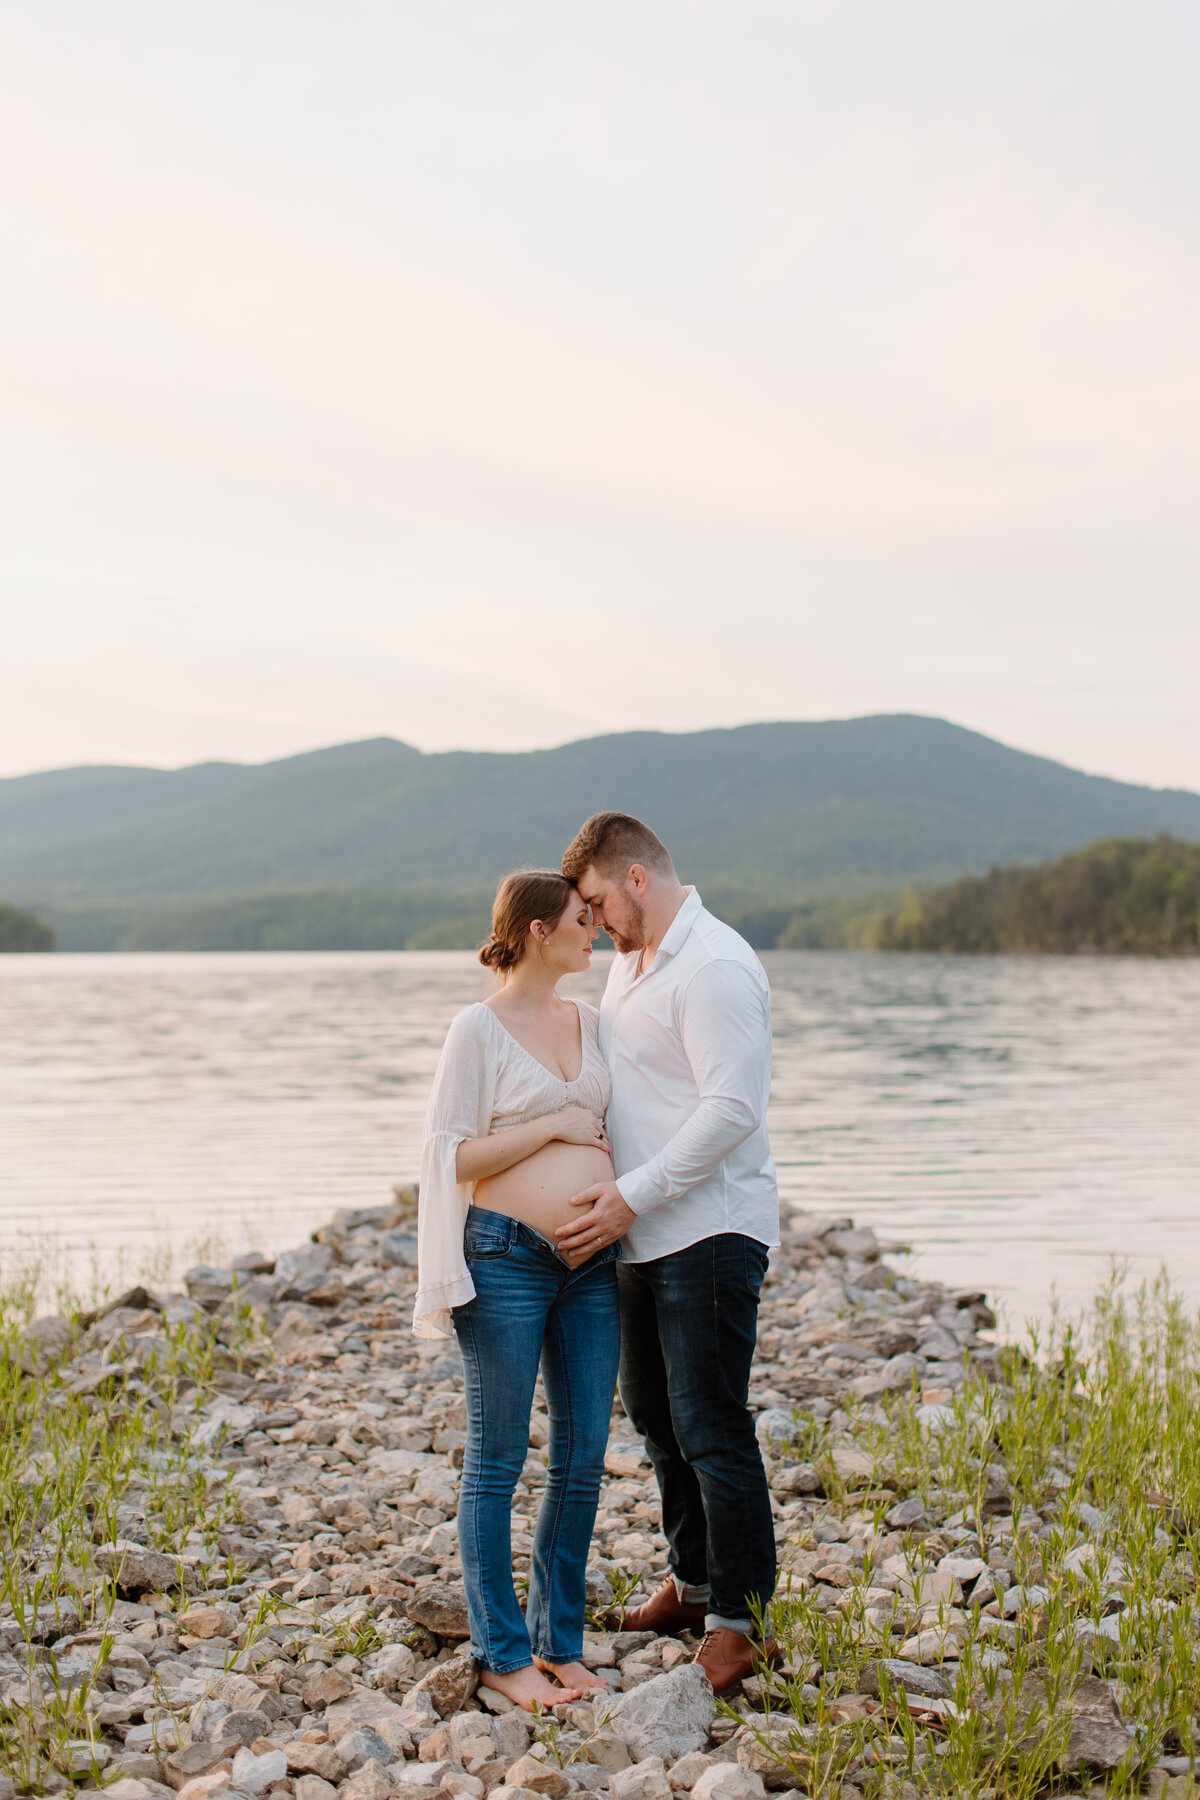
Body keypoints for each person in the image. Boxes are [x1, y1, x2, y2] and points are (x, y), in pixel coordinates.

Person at [557, 813, 781, 1695]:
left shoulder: (716, 965)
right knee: (654, 1417)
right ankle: (693, 1587)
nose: (598, 920)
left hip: (710, 1231)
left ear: (636, 879)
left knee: (712, 1426)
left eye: (599, 902)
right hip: (641, 1232)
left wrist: (631, 1194)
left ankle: (742, 1622)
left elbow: (731, 1111)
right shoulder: (629, 965)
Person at [414, 869, 621, 1711]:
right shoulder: (479, 1029)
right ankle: (503, 1654)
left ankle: (557, 1641)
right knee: (498, 1461)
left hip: (594, 1263)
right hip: (505, 1255)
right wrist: (553, 1127)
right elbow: (449, 1156)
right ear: (538, 930)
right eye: (581, 919)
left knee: (581, 1458)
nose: (594, 932)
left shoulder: (595, 1023)